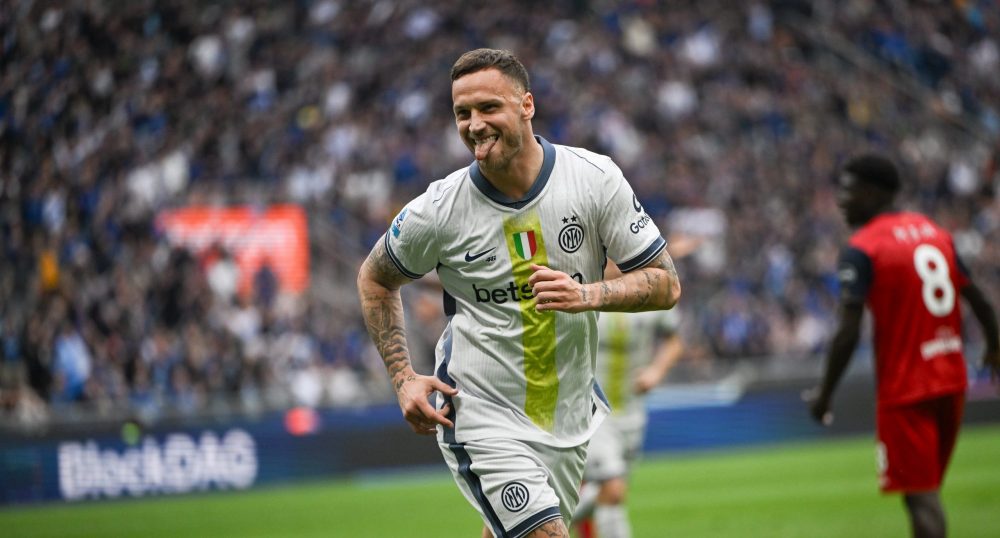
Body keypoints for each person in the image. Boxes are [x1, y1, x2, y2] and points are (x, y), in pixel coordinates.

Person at [356, 48, 681, 538]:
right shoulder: (438, 210)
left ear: (527, 105)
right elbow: (375, 278)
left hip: (566, 417)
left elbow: (666, 283)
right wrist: (403, 378)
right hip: (479, 411)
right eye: (462, 113)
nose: (474, 125)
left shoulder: (594, 180)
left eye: (488, 107)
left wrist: (587, 295)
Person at [807, 153, 1000, 538]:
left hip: (907, 388)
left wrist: (824, 393)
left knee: (920, 499)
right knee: (928, 490)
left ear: (874, 192)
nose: (841, 201)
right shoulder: (935, 233)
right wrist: (994, 346)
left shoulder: (863, 247)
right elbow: (978, 297)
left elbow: (848, 331)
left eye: (848, 191)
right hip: (952, 380)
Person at [572, 261, 685, 538]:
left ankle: (537, 520)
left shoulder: (648, 289)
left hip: (633, 411)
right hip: (593, 412)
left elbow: (674, 341)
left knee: (609, 490)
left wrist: (656, 372)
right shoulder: (582, 290)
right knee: (612, 489)